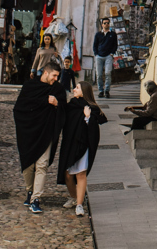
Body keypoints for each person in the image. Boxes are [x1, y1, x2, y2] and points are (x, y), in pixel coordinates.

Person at [13, 61, 66, 214]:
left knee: (42, 164)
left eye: (58, 76)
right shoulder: (30, 86)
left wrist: (57, 104)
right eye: (54, 76)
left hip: (46, 132)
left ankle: (36, 199)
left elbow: (64, 109)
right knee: (29, 165)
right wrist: (43, 101)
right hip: (29, 131)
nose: (56, 79)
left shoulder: (58, 89)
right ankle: (30, 191)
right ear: (45, 73)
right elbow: (19, 108)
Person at [58, 82, 108, 217]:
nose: (74, 89)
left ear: (84, 91)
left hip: (83, 145)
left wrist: (88, 117)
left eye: (77, 88)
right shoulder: (72, 105)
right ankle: (75, 197)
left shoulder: (91, 108)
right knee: (67, 175)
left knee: (80, 174)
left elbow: (95, 129)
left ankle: (79, 205)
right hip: (70, 144)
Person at [92, 17, 118, 98]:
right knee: (99, 74)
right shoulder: (98, 34)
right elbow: (95, 45)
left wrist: (112, 53)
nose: (106, 24)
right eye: (105, 23)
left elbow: (115, 45)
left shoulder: (113, 34)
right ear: (102, 24)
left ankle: (107, 90)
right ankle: (100, 90)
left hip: (108, 56)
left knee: (107, 73)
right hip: (99, 56)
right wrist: (96, 54)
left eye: (107, 23)